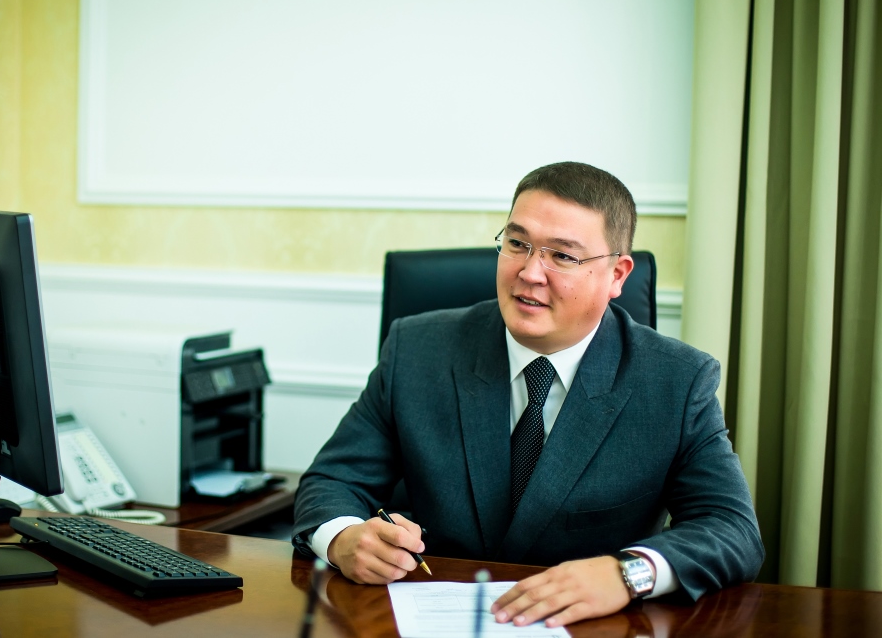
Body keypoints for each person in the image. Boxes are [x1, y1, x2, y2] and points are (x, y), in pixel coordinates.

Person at [291, 162, 764, 628]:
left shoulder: (676, 380)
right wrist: (343, 538)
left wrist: (627, 574)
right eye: (518, 244)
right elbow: (332, 479)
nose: (530, 272)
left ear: (617, 275)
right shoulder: (417, 350)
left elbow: (732, 529)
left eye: (563, 256)